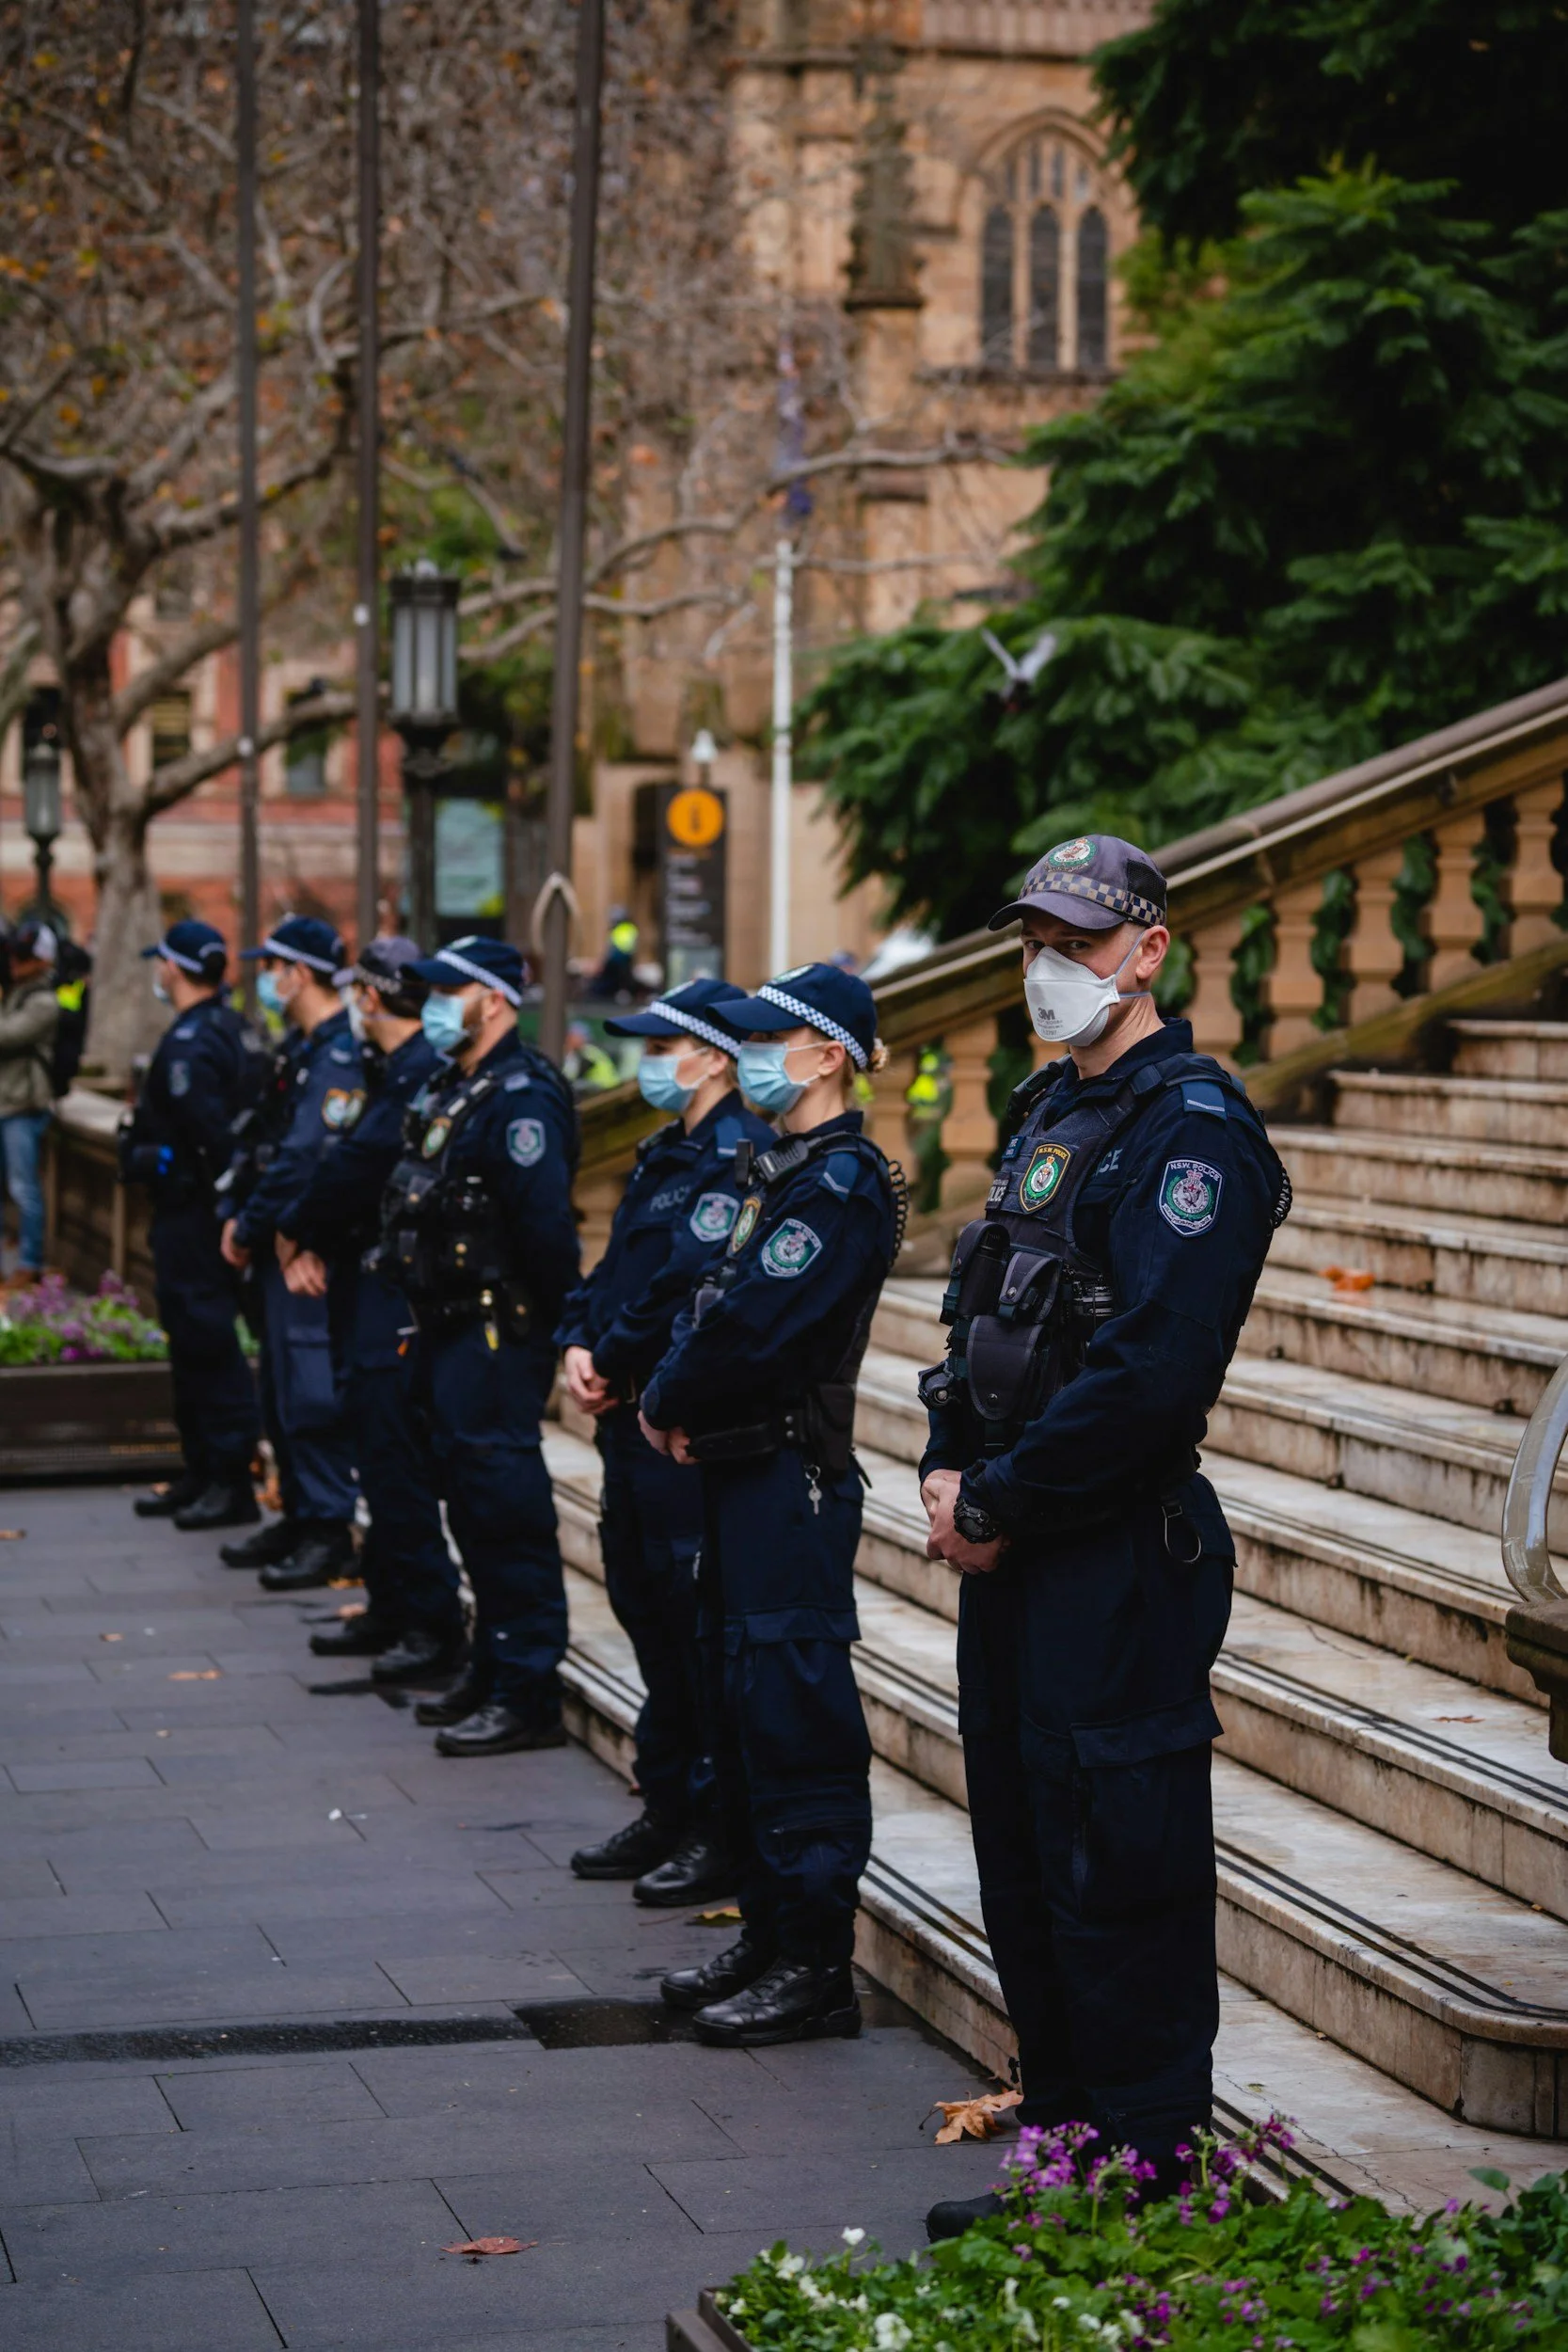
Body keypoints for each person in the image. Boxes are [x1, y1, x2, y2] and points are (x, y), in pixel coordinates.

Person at [914, 835, 1291, 2241]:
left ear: (1148, 952)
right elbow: (986, 1330)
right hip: (1014, 1558)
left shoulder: (1189, 1133)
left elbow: (1150, 1371)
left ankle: (1144, 2182)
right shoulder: (1046, 1112)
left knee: (1114, 1875)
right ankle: (1066, 2160)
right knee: (1022, 1860)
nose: (1046, 970)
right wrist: (953, 1468)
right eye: (1034, 942)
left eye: (1076, 945)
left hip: (1112, 1560)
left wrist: (1003, 1503)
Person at [640, 961, 905, 2048]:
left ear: (826, 1052)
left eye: (769, 1038)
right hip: (740, 1471)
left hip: (789, 1481)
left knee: (795, 1720)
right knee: (741, 1711)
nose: (753, 1056)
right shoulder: (781, 1166)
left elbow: (755, 1323)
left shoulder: (837, 1183)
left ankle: (812, 1961)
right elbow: (710, 1303)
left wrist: (665, 1392)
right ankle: (763, 1930)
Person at [556, 977, 774, 1903]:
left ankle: (711, 1823)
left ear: (711, 1055)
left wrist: (607, 1353)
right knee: (645, 1610)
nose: (648, 1063)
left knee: (691, 1632)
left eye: (661, 1046)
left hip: (671, 1419)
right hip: (626, 1417)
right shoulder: (661, 1152)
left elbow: (685, 1276)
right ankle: (665, 1801)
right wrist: (576, 1336)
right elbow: (611, 1267)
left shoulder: (736, 1155)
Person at [380, 934, 579, 1756]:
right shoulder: (448, 1086)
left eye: (444, 990)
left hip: (498, 1333)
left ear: (492, 999)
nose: (429, 1005)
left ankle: (526, 1686)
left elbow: (545, 1233)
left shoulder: (522, 1097)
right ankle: (491, 1664)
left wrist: (560, 1331)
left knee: (504, 1510)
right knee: (466, 1505)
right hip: (442, 1328)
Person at [276, 938, 464, 1680]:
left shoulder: (418, 1070)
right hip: (367, 1286)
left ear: (371, 996)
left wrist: (294, 1229)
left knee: (393, 1462)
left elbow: (355, 1167)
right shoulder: (397, 1067)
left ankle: (428, 1622)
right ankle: (393, 1605)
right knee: (377, 1460)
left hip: (391, 1297)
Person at [218, 915, 363, 1591]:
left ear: (299, 973)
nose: (267, 980)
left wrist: (253, 1226)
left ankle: (328, 1525)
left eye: (274, 967)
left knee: (309, 1390)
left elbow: (308, 1155)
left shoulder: (338, 1054)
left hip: (305, 1247)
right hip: (281, 1239)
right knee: (280, 1384)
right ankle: (302, 1513)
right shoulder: (303, 1048)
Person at [119, 920, 265, 1529]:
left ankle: (226, 1481)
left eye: (162, 964)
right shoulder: (238, 1029)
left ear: (175, 968)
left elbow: (212, 1141)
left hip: (196, 1217)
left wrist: (152, 1157)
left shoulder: (190, 1043)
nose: (159, 972)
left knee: (206, 1346)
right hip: (208, 1214)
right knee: (196, 1346)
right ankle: (203, 1472)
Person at [0, 919, 59, 1288]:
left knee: (24, 1189)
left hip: (22, 1108)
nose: (15, 963)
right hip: (5, 1103)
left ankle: (30, 1263)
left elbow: (6, 1036)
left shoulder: (43, 1001)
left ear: (43, 961)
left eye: (23, 956)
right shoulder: (14, 995)